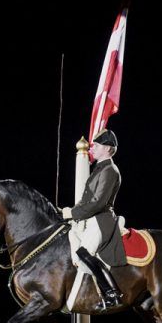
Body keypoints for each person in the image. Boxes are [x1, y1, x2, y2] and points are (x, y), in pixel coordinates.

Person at [61, 128, 126, 309]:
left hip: (101, 220)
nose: (92, 148)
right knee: (72, 240)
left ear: (107, 148)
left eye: (96, 145)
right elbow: (86, 200)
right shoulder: (100, 169)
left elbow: (98, 202)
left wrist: (73, 214)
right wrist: (70, 212)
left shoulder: (110, 170)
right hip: (90, 219)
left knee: (84, 254)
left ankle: (112, 293)